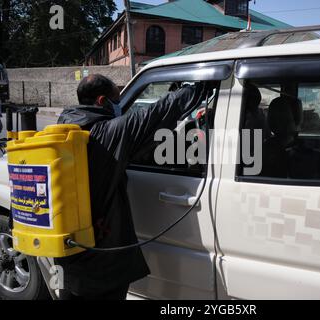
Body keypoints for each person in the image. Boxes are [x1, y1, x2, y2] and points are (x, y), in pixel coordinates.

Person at [56, 74, 208, 300]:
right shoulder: (106, 133)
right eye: (116, 100)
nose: (119, 106)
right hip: (102, 254)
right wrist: (199, 86)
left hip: (67, 252)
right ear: (101, 101)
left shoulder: (60, 131)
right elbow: (157, 113)